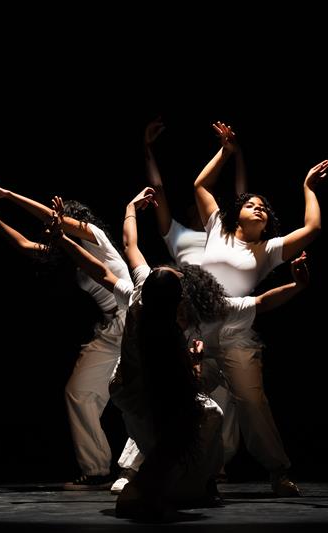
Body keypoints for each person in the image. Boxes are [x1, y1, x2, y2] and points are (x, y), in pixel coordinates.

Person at [50, 188, 311, 517]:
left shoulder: (148, 294)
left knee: (203, 409)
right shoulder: (157, 303)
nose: (175, 269)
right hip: (141, 390)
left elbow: (109, 263)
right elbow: (106, 264)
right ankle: (151, 476)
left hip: (139, 388)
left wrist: (65, 237)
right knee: (199, 412)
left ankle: (187, 475)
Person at [110, 117, 250, 493]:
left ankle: (210, 467)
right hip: (177, 309)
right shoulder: (178, 236)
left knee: (219, 393)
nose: (197, 211)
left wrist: (234, 154)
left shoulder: (226, 237)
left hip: (214, 311)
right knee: (162, 385)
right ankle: (135, 468)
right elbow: (157, 190)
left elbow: (240, 197)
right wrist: (148, 150)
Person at [192, 120, 328, 496]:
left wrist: (307, 188)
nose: (258, 209)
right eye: (251, 204)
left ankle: (277, 470)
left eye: (264, 209)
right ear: (237, 213)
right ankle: (157, 470)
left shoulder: (267, 251)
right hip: (196, 331)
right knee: (177, 397)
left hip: (237, 331)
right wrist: (225, 151)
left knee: (252, 402)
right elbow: (200, 186)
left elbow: (313, 228)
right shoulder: (218, 226)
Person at [0, 182, 132, 490]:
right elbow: (24, 245)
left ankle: (154, 464)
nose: (45, 229)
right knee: (79, 392)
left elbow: (50, 219)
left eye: (52, 222)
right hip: (111, 329)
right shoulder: (68, 254)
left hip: (135, 320)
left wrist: (8, 195)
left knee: (138, 395)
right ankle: (96, 470)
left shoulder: (95, 237)